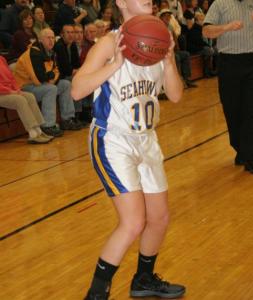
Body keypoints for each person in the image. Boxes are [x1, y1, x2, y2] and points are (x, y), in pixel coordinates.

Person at [71, 0, 186, 298]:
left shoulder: (158, 39)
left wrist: (170, 62)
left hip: (146, 139)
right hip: (113, 139)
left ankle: (143, 280)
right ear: (121, 2)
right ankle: (97, 293)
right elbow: (77, 89)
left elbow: (174, 95)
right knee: (134, 221)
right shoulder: (110, 43)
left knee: (159, 219)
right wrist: (115, 65)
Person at [203, 0, 253, 175]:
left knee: (251, 110)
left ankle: (251, 156)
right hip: (228, 63)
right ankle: (241, 149)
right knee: (232, 110)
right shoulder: (220, 4)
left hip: (252, 63)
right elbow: (206, 31)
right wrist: (226, 27)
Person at [14, 28, 81, 137]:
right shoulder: (33, 53)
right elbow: (39, 78)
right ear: (40, 40)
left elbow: (57, 72)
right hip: (25, 87)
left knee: (65, 84)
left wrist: (51, 77)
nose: (51, 40)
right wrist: (51, 77)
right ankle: (48, 125)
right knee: (50, 89)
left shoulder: (50, 52)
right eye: (48, 38)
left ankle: (67, 119)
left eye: (52, 37)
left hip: (40, 84)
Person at [0, 55, 53, 144]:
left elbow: (12, 78)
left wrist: (17, 89)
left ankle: (39, 130)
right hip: (2, 93)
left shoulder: (2, 59)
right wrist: (10, 91)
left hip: (9, 91)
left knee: (30, 96)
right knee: (19, 100)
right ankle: (32, 134)